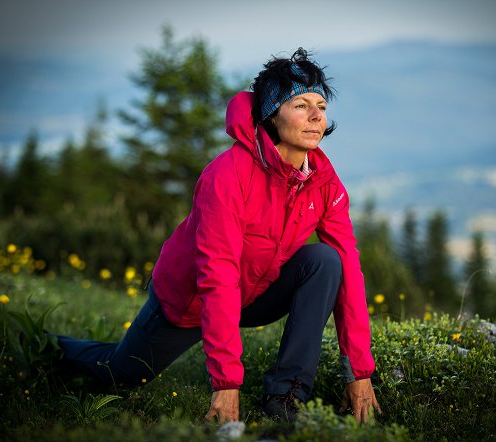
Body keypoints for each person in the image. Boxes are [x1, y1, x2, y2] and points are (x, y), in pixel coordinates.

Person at [55, 48, 381, 424]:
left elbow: (350, 276)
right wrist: (226, 381)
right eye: (300, 105)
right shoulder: (228, 174)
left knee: (326, 262)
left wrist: (359, 372)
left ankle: (286, 395)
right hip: (191, 299)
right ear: (272, 114)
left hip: (256, 292)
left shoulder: (324, 181)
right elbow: (218, 271)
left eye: (321, 106)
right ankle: (54, 347)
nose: (315, 116)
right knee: (121, 374)